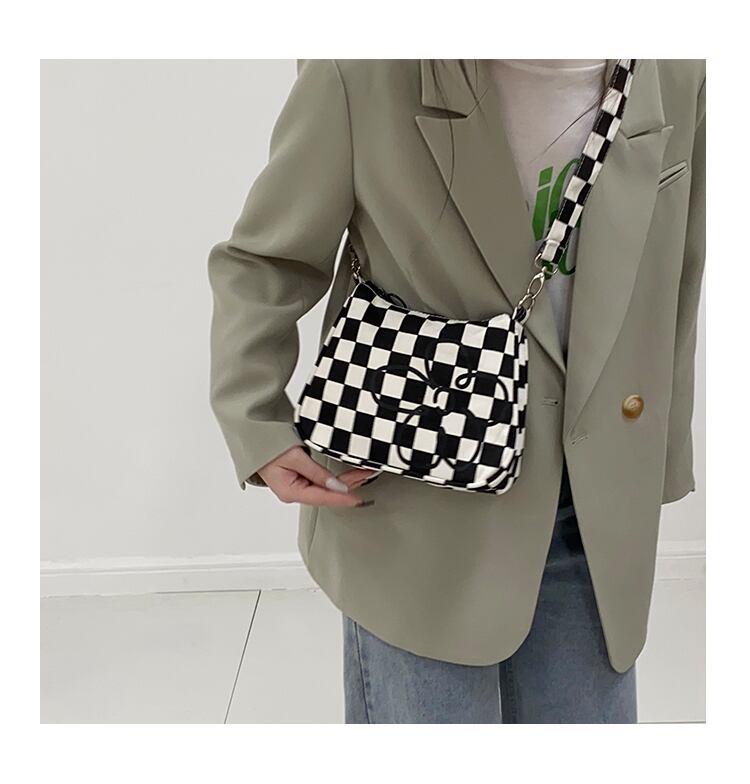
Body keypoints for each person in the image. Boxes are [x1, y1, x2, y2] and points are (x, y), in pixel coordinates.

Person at [208, 59, 706, 723]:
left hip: (592, 514)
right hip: (418, 503)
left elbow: (676, 275)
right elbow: (268, 259)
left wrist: (661, 459)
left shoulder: (678, 67)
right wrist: (256, 424)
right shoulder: (364, 69)